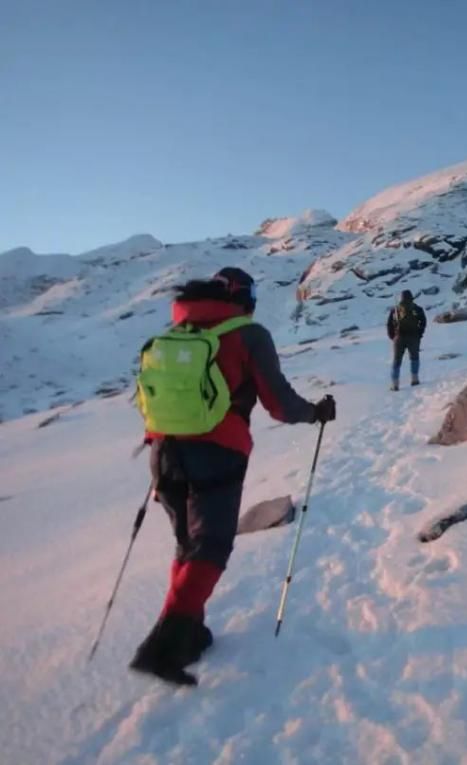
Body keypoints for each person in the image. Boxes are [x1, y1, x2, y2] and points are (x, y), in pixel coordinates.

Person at [131, 266, 335, 686]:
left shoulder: (178, 333)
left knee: (189, 544)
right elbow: (279, 404)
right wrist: (315, 412)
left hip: (163, 452)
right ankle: (166, 642)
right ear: (246, 298)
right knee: (212, 546)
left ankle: (190, 632)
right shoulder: (247, 333)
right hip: (216, 452)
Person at [386, 290, 427, 391]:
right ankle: (415, 379)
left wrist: (393, 337)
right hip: (413, 337)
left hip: (399, 338)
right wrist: (419, 334)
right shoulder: (417, 309)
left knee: (396, 361)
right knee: (414, 358)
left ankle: (395, 385)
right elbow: (423, 322)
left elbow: (389, 324)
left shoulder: (395, 310)